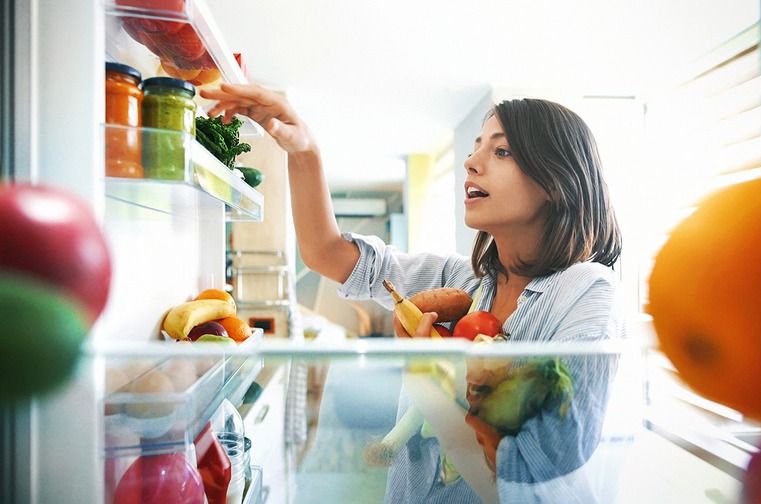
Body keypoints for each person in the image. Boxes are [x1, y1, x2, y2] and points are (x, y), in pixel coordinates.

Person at [201, 84, 626, 503]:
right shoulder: (462, 280)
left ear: (555, 181)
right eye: (476, 146)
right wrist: (304, 149)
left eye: (501, 151)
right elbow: (325, 252)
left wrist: (425, 377)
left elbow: (530, 474)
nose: (471, 161)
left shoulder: (587, 291)